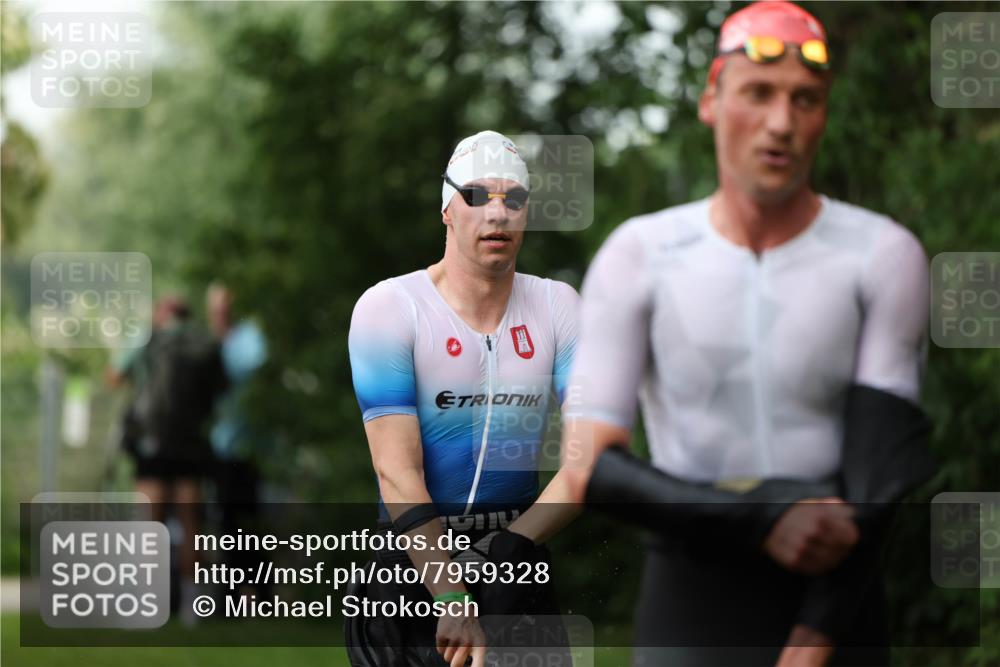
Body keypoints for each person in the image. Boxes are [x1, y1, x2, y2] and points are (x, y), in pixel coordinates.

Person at [562, 3, 931, 667]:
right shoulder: (638, 254)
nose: (781, 122)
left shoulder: (882, 254)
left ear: (824, 113)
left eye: (805, 99)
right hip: (691, 602)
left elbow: (880, 479)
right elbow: (590, 466)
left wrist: (814, 640)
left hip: (838, 597)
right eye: (758, 93)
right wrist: (764, 514)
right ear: (711, 101)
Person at [347, 131, 580, 667]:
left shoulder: (558, 307)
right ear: (447, 210)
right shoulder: (390, 308)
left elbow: (588, 459)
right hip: (411, 564)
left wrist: (512, 549)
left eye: (513, 199)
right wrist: (451, 593)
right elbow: (395, 471)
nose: (497, 213)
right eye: (476, 195)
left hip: (516, 559)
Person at [108, 294, 226, 619]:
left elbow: (114, 376)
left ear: (161, 313)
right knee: (191, 526)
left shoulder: (146, 339)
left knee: (150, 525)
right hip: (191, 444)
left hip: (152, 443)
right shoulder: (203, 344)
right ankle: (192, 607)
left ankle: (148, 602)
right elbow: (221, 389)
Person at [206, 283, 271, 598]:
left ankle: (258, 592)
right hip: (220, 446)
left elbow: (254, 377)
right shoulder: (212, 341)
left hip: (251, 446)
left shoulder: (249, 340)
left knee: (250, 521)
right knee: (226, 522)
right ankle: (229, 592)